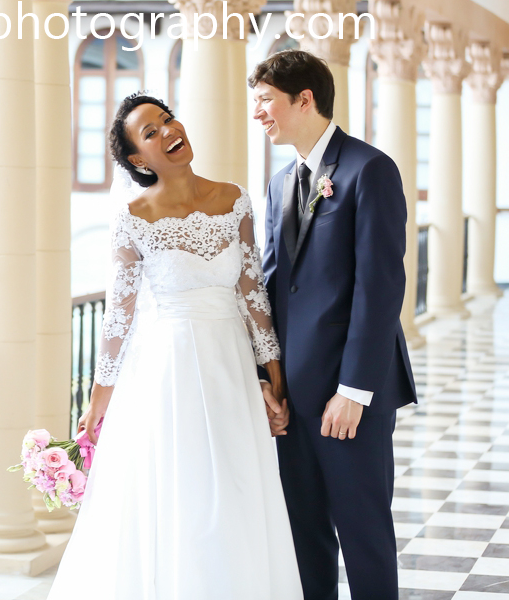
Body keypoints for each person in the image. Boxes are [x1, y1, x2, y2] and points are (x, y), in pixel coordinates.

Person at [46, 93, 303, 600]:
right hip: (168, 371)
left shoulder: (234, 199)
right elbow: (117, 315)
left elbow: (252, 291)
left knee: (235, 487)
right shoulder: (133, 216)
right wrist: (100, 399)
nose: (167, 131)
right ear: (139, 160)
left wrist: (274, 375)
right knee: (179, 490)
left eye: (166, 119)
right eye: (150, 132)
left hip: (229, 365)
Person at [250, 49, 417, 600]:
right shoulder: (278, 183)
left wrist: (354, 390)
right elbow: (275, 287)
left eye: (266, 101)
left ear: (305, 99)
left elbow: (380, 288)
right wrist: (267, 382)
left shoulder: (371, 169)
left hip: (351, 396)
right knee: (303, 536)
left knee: (363, 534)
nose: (259, 114)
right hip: (293, 397)